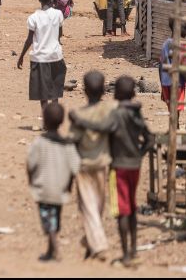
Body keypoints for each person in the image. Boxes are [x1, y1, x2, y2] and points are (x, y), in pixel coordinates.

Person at [70, 76, 154, 268]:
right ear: (133, 93)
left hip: (118, 167)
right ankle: (133, 250)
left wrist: (80, 120)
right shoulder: (136, 113)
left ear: (115, 94)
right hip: (135, 166)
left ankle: (126, 255)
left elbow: (102, 127)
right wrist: (139, 155)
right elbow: (149, 139)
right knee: (132, 208)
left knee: (122, 211)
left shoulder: (116, 115)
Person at [67, 70, 117, 261]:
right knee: (98, 205)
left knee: (88, 207)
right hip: (103, 164)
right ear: (104, 90)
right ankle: (94, 241)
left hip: (85, 166)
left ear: (85, 91)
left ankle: (98, 245)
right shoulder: (109, 111)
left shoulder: (79, 115)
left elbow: (72, 141)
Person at [26, 102, 81, 262]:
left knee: (47, 219)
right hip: (61, 188)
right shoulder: (68, 145)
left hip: (43, 188)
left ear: (44, 121)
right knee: (55, 217)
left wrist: (31, 180)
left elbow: (30, 163)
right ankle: (50, 249)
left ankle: (55, 247)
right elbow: (75, 167)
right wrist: (69, 185)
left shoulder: (40, 143)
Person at [17, 0, 67, 111]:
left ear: (40, 0)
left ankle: (46, 119)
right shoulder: (58, 14)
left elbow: (29, 39)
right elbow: (59, 34)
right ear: (52, 0)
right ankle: (54, 118)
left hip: (39, 58)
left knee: (43, 93)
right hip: (55, 56)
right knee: (55, 92)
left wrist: (21, 56)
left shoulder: (33, 17)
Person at [159, 18, 186, 130]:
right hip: (178, 82)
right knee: (176, 106)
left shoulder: (165, 44)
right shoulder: (181, 46)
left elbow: (160, 65)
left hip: (165, 82)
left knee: (172, 106)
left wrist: (162, 84)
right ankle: (175, 127)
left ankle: (174, 126)